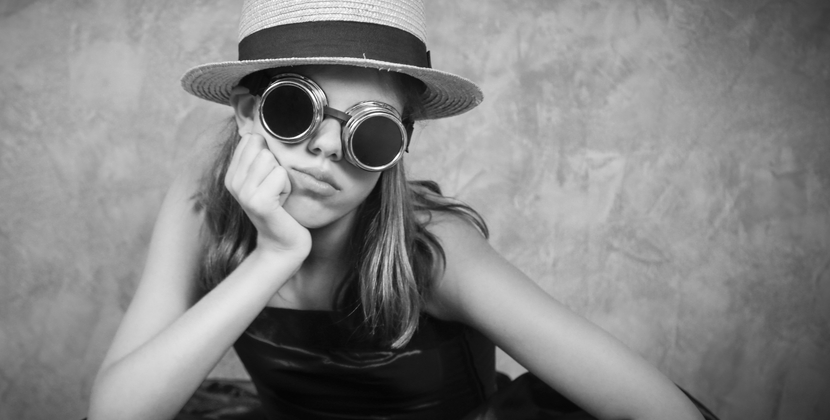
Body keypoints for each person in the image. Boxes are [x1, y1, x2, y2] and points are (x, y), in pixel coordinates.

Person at [87, 1, 710, 419]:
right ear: (249, 114)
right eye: (295, 109)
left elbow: (655, 408)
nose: (328, 145)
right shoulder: (201, 205)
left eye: (371, 130)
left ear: (400, 147)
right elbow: (115, 412)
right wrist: (273, 257)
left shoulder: (434, 248)